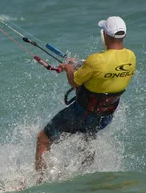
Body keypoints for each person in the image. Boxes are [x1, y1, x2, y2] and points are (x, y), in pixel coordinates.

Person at [34, 16, 137, 178]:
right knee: (86, 139)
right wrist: (80, 65)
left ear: (105, 35)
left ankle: (38, 179)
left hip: (81, 114)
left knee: (43, 138)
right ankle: (86, 175)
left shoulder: (96, 60)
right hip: (104, 117)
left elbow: (75, 82)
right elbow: (104, 74)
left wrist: (68, 67)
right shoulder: (131, 57)